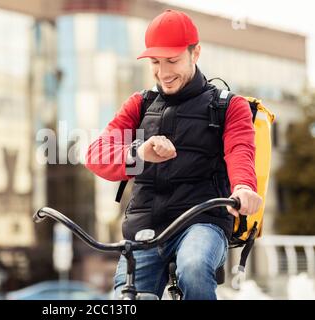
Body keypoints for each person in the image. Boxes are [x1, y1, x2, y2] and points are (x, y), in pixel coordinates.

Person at [85, 9, 262, 300]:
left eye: (173, 60)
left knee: (193, 267)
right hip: (146, 229)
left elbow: (240, 150)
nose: (164, 72)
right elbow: (96, 154)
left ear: (196, 53)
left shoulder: (228, 106)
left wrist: (243, 187)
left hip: (202, 223)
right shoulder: (139, 104)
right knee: (125, 298)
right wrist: (138, 153)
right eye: (155, 62)